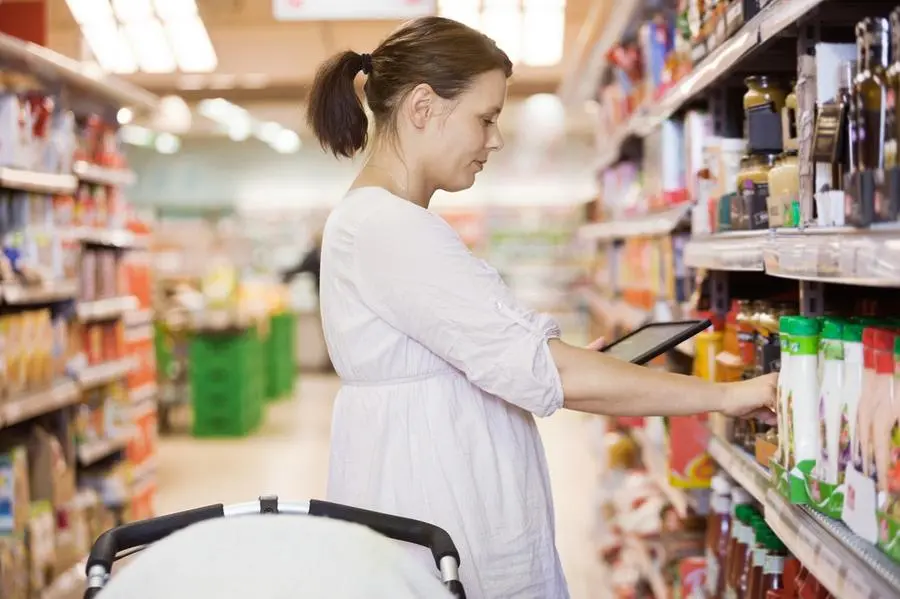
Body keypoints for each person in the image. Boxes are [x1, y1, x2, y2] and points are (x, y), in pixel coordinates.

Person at [307, 16, 775, 599]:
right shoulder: (389, 228)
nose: (495, 139)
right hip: (440, 513)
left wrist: (571, 362)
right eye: (485, 117)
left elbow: (487, 358)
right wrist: (728, 396)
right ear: (423, 107)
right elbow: (545, 371)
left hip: (431, 499)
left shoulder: (381, 222)